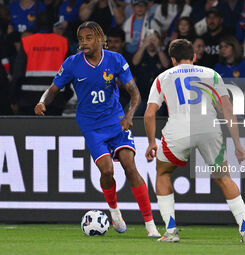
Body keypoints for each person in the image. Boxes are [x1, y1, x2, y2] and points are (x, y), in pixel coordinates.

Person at [34, 21, 160, 237]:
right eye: (81, 39)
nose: (84, 42)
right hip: (92, 126)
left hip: (117, 121)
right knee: (107, 171)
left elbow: (135, 93)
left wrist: (129, 115)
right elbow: (53, 88)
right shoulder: (73, 64)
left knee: (130, 166)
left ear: (100, 39)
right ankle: (114, 211)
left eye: (88, 38)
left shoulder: (115, 60)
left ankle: (150, 225)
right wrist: (42, 101)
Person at [144, 39, 245, 243]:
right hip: (209, 128)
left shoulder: (163, 77)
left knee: (163, 172)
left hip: (178, 130)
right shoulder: (211, 74)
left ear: (173, 60)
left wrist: (152, 142)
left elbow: (150, 114)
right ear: (194, 57)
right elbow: (227, 110)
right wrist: (238, 145)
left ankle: (170, 232)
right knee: (224, 177)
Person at [9, 11, 71, 115]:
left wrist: (13, 98)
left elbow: (18, 73)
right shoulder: (63, 42)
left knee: (30, 130)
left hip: (28, 99)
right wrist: (66, 96)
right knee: (54, 131)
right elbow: (69, 72)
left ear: (36, 24)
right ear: (52, 24)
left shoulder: (27, 41)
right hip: (55, 98)